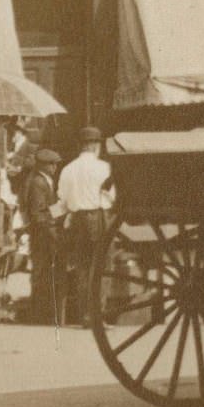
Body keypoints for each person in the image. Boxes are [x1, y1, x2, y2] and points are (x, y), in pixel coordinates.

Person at [57, 126, 114, 326]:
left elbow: (62, 200)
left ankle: (85, 316)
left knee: (82, 268)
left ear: (80, 145)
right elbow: (112, 196)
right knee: (102, 267)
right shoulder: (104, 168)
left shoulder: (68, 169)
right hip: (99, 217)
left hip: (78, 220)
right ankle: (98, 315)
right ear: (96, 145)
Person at [23, 148, 63, 325]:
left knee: (45, 272)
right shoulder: (38, 182)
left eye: (55, 164)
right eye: (51, 164)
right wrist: (55, 223)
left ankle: (43, 312)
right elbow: (38, 213)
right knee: (41, 272)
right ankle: (39, 313)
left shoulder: (45, 180)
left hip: (45, 231)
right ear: (42, 165)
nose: (54, 167)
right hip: (42, 234)